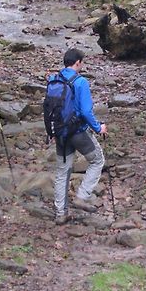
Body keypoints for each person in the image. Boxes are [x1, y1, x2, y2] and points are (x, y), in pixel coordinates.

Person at [50, 48, 107, 225]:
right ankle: (82, 195)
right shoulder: (80, 82)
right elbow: (85, 111)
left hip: (60, 132)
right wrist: (99, 128)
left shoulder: (54, 79)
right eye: (82, 62)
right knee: (97, 161)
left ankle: (61, 213)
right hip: (78, 132)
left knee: (62, 172)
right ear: (77, 63)